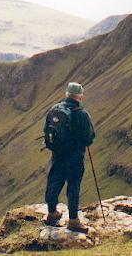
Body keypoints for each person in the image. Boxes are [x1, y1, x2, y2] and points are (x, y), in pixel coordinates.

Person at [43, 82, 95, 233]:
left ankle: (52, 213)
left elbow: (46, 130)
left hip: (57, 154)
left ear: (67, 94)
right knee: (73, 185)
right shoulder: (82, 114)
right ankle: (73, 220)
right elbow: (89, 137)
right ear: (79, 97)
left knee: (54, 180)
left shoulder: (54, 110)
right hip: (75, 156)